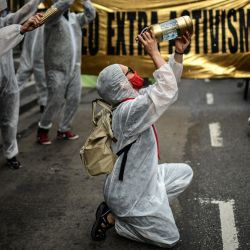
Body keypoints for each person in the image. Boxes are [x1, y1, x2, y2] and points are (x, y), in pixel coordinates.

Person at [91, 31, 193, 248]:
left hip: (144, 179)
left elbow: (167, 89)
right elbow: (166, 90)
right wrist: (153, 51)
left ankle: (152, 208)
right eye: (129, 72)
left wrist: (177, 55)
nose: (134, 72)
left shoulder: (130, 102)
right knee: (169, 238)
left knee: (185, 173)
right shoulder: (128, 112)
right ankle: (116, 220)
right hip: (129, 194)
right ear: (120, 84)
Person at [37, 0, 96, 144]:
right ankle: (43, 129)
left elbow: (91, 14)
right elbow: (59, 7)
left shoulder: (75, 18)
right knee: (55, 100)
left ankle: (63, 129)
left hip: (74, 67)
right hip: (56, 67)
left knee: (74, 98)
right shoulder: (51, 16)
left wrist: (85, 1)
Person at [0, 0, 43, 169]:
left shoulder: (3, 22)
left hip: (8, 81)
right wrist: (21, 28)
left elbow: (20, 15)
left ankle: (11, 154)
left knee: (10, 120)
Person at [16, 3, 48, 113]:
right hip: (27, 57)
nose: (41, 12)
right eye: (39, 10)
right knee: (17, 82)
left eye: (43, 10)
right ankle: (9, 103)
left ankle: (43, 105)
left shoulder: (47, 24)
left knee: (42, 84)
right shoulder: (31, 20)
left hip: (41, 59)